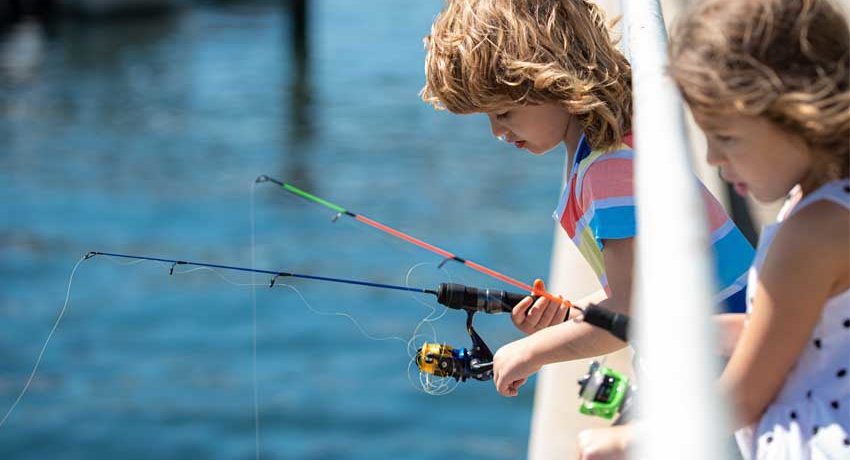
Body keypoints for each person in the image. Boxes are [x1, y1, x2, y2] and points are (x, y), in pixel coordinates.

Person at [421, 0, 754, 398]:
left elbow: (630, 310)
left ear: (550, 79)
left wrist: (531, 351)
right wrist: (571, 316)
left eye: (504, 112)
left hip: (730, 357)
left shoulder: (607, 171)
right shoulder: (608, 145)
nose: (497, 131)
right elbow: (642, 285)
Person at [575, 0, 850, 458]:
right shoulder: (829, 204)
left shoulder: (810, 235)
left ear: (795, 112)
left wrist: (626, 439)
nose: (713, 159)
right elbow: (791, 332)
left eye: (727, 138)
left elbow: (741, 398)